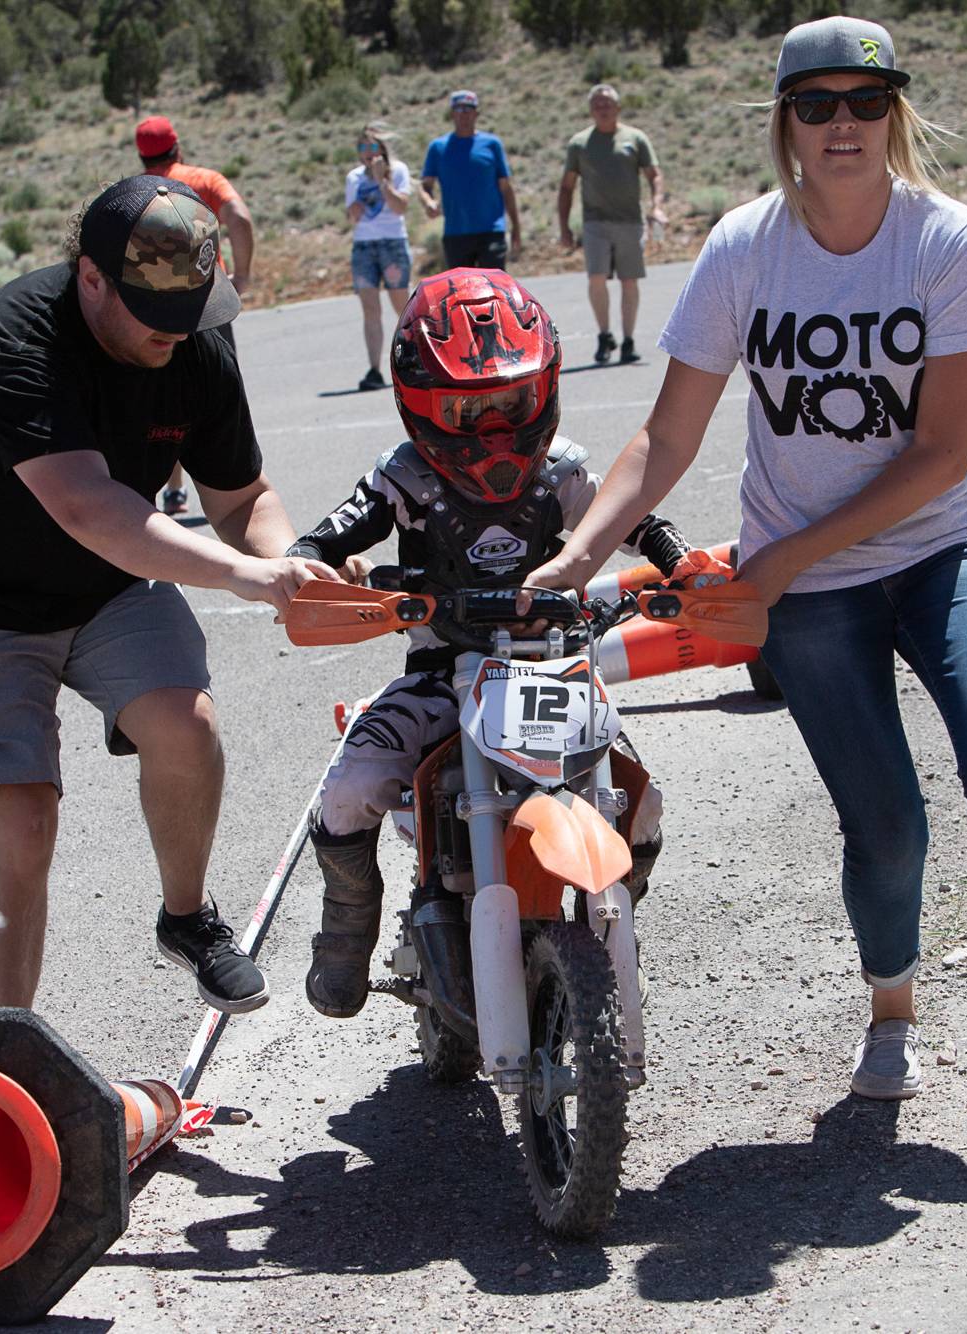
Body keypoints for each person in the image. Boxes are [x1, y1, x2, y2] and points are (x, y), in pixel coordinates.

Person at [523, 18, 967, 1133]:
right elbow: (662, 439)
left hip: (940, 546)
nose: (840, 124)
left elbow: (943, 453)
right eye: (815, 104)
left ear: (892, 112)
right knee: (885, 821)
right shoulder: (744, 249)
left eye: (863, 101)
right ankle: (890, 1014)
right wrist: (576, 554)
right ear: (783, 123)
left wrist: (777, 560)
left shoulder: (948, 242)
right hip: (808, 589)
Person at [0, 176, 338, 1010]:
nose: (176, 336)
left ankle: (187, 918)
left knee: (186, 724)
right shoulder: (19, 339)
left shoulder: (190, 337)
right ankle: (14, 1039)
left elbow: (242, 499)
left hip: (108, 589)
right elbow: (88, 507)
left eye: (190, 315)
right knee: (23, 824)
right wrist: (248, 577)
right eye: (157, 318)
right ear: (91, 278)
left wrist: (294, 561)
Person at [286, 268, 714, 1019]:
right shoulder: (404, 478)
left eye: (510, 405)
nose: (492, 431)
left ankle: (610, 913)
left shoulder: (564, 471)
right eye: (466, 409)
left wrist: (680, 562)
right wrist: (316, 567)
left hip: (552, 673)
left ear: (544, 389)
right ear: (421, 407)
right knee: (351, 788)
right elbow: (327, 536)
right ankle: (347, 929)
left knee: (638, 803)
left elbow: (633, 518)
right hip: (439, 677)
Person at [136, 114, 257, 517]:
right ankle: (230, 493)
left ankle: (169, 491)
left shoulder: (136, 192)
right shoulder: (203, 180)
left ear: (141, 155)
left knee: (159, 396)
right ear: (178, 148)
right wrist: (241, 275)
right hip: (207, 303)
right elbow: (238, 216)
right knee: (218, 393)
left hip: (152, 309)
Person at [557, 84, 668, 367]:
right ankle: (605, 335)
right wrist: (564, 227)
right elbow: (567, 187)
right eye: (596, 104)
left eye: (607, 103)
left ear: (617, 107)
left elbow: (654, 174)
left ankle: (628, 341)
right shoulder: (579, 144)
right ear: (590, 110)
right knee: (596, 278)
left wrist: (657, 205)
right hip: (595, 223)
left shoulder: (635, 138)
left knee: (629, 281)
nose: (602, 108)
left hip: (629, 221)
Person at [345, 122, 413, 393]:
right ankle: (374, 368)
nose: (367, 152)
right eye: (362, 147)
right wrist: (359, 200)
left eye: (372, 146)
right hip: (364, 246)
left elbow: (400, 207)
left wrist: (382, 182)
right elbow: (354, 217)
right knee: (370, 309)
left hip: (392, 243)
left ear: (382, 149)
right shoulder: (354, 178)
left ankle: (412, 358)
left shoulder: (398, 172)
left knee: (402, 307)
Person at [419, 90, 520, 271]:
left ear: (476, 113)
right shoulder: (438, 148)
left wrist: (516, 228)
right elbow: (425, 185)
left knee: (493, 290)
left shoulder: (492, 144)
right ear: (451, 114)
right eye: (458, 109)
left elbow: (506, 188)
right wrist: (429, 202)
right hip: (456, 233)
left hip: (491, 231)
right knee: (462, 294)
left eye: (468, 109)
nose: (463, 114)